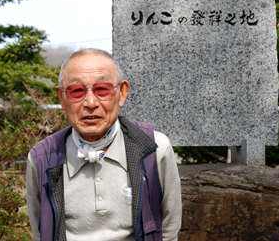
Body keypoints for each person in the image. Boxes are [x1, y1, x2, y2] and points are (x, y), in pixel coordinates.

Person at [26, 48, 182, 241]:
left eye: (102, 90)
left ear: (121, 93)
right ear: (62, 98)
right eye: (76, 91)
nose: (90, 103)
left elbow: (169, 230)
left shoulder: (155, 149)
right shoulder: (42, 158)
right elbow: (40, 231)